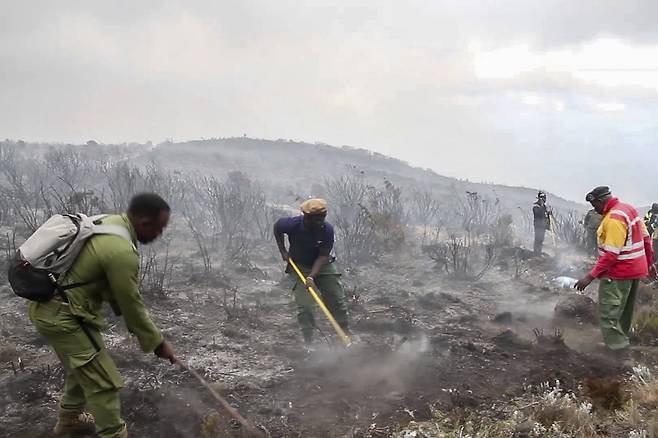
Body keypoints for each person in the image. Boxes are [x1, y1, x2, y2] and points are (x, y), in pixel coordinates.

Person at [29, 193, 177, 438]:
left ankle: (70, 421)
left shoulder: (109, 223)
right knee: (103, 382)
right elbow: (131, 303)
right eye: (159, 229)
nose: (160, 235)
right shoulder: (121, 251)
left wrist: (149, 338)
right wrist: (157, 343)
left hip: (59, 310)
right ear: (143, 223)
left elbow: (113, 292)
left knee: (86, 365)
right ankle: (114, 434)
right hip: (62, 315)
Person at [575, 186, 657, 352]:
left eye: (594, 204)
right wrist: (649, 263)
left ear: (600, 200)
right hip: (635, 271)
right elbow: (647, 239)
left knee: (608, 312)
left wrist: (590, 277)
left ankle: (617, 349)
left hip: (619, 273)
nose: (594, 208)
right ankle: (621, 340)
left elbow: (611, 254)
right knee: (625, 310)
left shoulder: (613, 219)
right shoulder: (629, 209)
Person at [273, 198, 349, 347]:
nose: (321, 221)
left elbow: (323, 256)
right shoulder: (292, 224)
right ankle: (309, 343)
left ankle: (345, 334)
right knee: (305, 307)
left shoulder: (327, 230)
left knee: (336, 299)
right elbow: (277, 227)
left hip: (323, 266)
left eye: (323, 216)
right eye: (317, 218)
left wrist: (311, 277)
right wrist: (283, 250)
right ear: (307, 217)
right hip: (300, 266)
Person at [533, 191, 551, 255]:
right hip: (538, 225)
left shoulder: (545, 207)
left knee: (541, 239)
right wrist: (542, 207)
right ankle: (536, 252)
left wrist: (548, 225)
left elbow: (547, 216)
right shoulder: (536, 206)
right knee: (537, 239)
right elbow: (538, 213)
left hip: (543, 226)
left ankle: (539, 252)